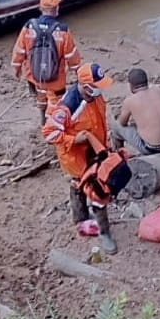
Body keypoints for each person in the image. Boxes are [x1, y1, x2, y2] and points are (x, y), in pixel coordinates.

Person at [43, 62, 118, 254]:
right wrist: (75, 139)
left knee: (91, 186)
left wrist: (106, 144)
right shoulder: (67, 108)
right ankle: (102, 231)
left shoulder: (97, 98)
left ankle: (83, 219)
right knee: (93, 189)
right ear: (86, 87)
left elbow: (101, 121)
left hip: (96, 150)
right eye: (98, 86)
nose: (101, 89)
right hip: (77, 157)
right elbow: (49, 133)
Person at [10, 0, 83, 126]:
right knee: (57, 103)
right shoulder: (63, 31)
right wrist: (79, 73)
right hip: (56, 79)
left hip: (35, 75)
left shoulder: (28, 27)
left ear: (40, 8)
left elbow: (19, 50)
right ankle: (53, 126)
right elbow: (72, 57)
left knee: (41, 95)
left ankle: (43, 118)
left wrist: (16, 68)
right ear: (56, 9)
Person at [112, 68, 160, 155]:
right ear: (147, 82)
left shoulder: (130, 101)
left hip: (153, 148)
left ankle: (118, 155)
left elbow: (122, 123)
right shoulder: (158, 91)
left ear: (131, 85)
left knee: (116, 127)